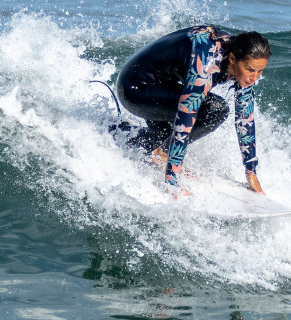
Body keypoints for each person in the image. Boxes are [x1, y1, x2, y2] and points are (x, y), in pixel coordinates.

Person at [112, 25, 269, 194]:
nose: (254, 78)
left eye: (260, 71)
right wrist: (172, 180)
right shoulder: (208, 61)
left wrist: (251, 172)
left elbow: (245, 117)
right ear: (232, 59)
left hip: (163, 85)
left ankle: (116, 131)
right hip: (136, 88)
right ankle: (161, 155)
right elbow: (187, 115)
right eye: (250, 70)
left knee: (159, 139)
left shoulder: (241, 54)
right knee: (215, 109)